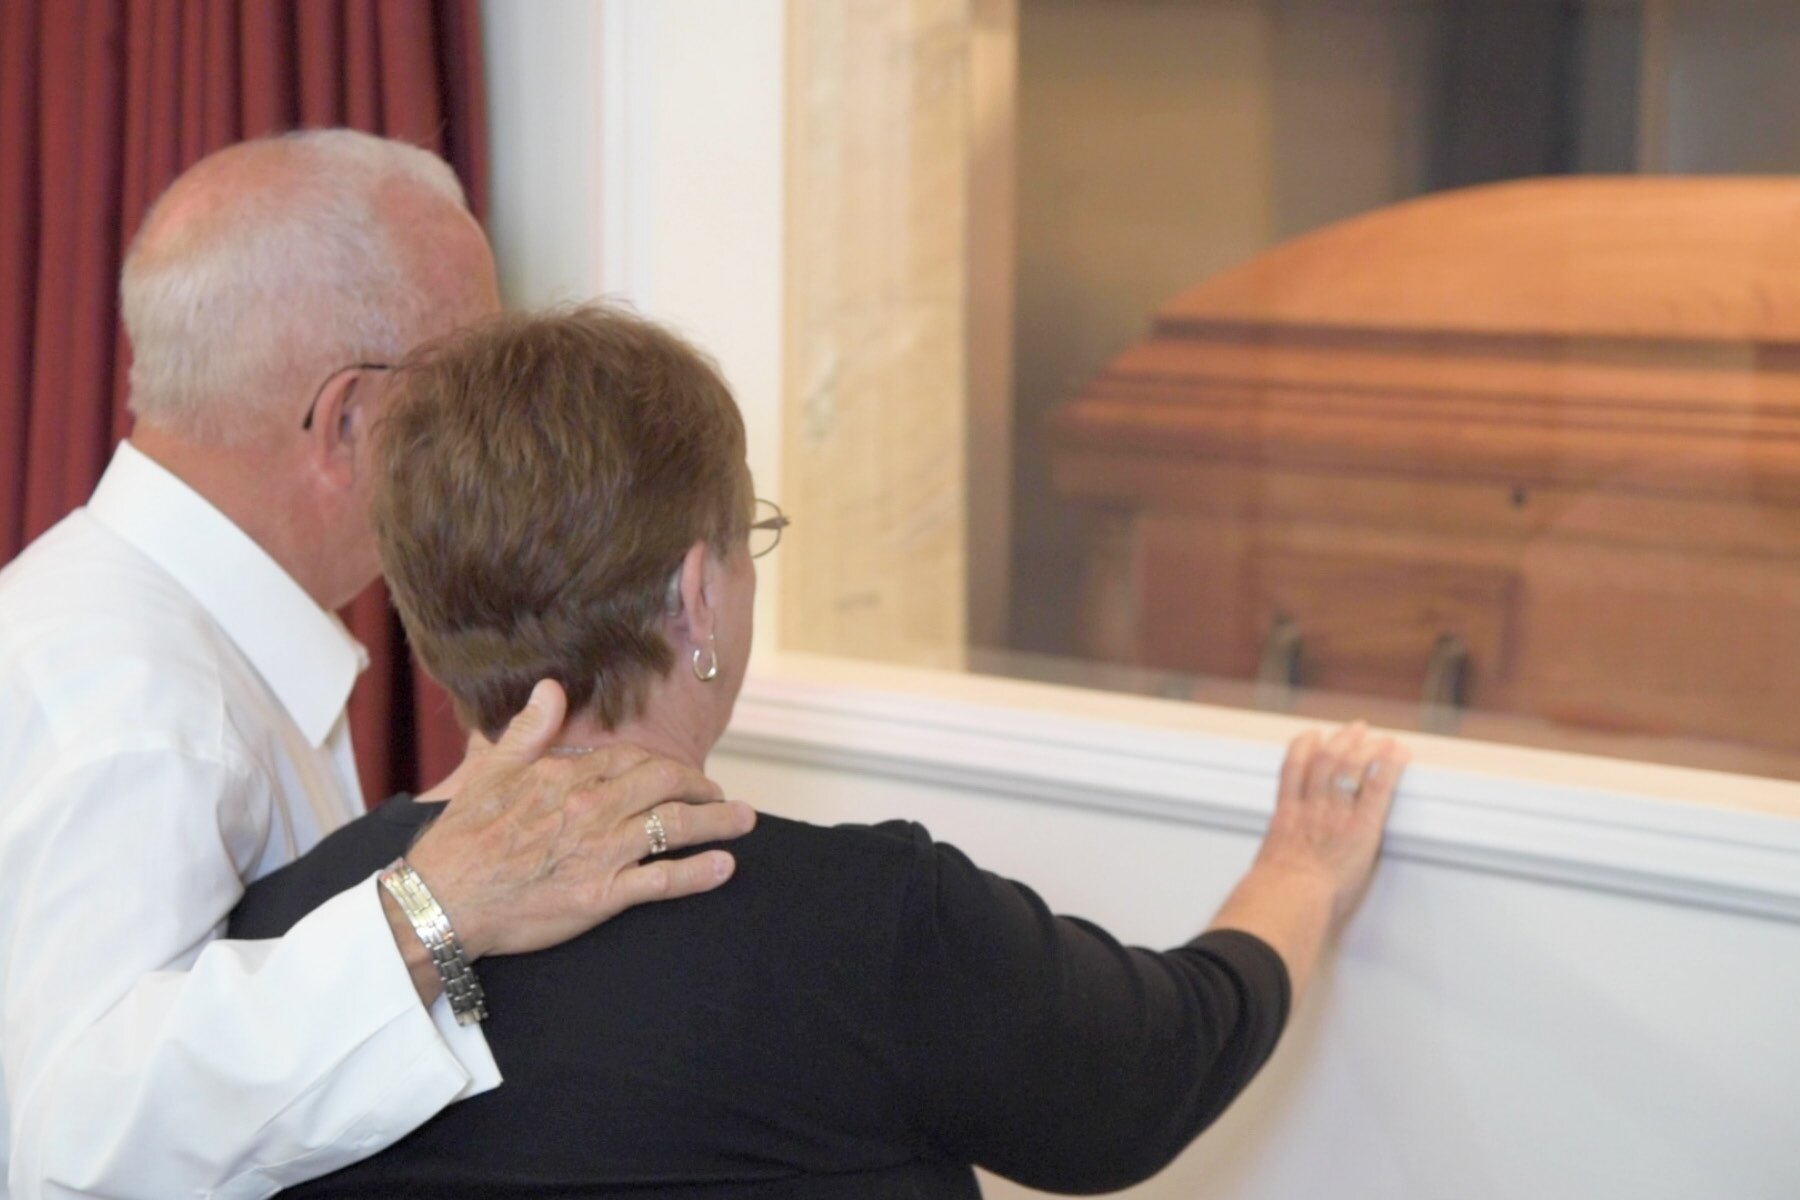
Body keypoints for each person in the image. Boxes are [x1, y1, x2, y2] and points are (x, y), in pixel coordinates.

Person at [230, 304, 1410, 1197]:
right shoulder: (869, 923)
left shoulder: (288, 932)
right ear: (698, 596)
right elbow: (1147, 1078)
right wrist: (1300, 873)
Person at [0, 134, 754, 1199]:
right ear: (350, 419)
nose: (501, 433)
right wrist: (434, 908)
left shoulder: (160, 632)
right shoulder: (146, 701)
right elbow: (72, 1149)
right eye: (471, 387)